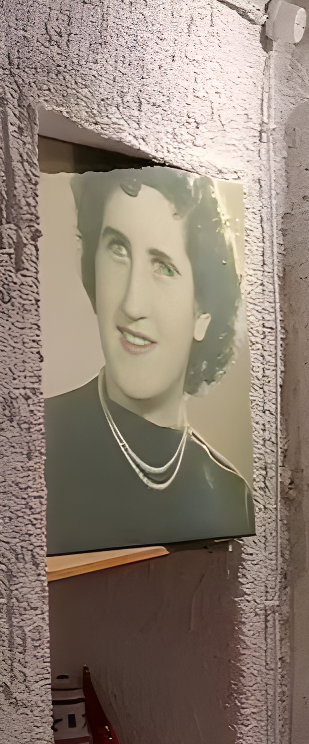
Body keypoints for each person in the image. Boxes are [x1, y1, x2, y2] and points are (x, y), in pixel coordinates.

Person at [45, 167, 255, 554]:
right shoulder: (33, 443)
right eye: (118, 250)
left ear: (202, 314)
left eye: (163, 267)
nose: (131, 303)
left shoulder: (229, 495)